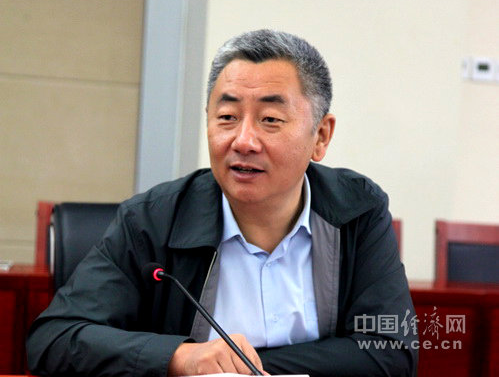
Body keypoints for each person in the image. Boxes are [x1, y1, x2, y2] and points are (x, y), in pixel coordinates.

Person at [27, 29, 418, 376]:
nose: (243, 141)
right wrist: (180, 358)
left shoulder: (357, 211)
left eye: (270, 119)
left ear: (321, 136)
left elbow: (390, 350)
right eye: (228, 117)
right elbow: (55, 339)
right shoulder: (151, 220)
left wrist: (239, 367)